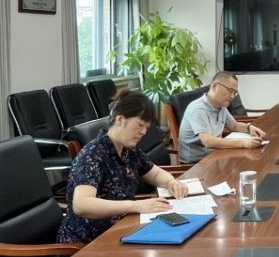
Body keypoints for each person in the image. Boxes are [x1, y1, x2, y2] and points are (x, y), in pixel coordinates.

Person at [57, 89, 190, 245]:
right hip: (88, 243)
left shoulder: (129, 150)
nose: (143, 132)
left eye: (147, 127)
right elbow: (82, 204)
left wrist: (171, 182)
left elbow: (154, 174)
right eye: (140, 125)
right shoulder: (92, 155)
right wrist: (134, 205)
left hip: (120, 230)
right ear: (120, 119)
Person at [178, 71, 267, 164]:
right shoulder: (198, 109)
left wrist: (249, 128)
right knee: (246, 163)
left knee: (252, 160)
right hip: (196, 163)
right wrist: (244, 143)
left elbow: (234, 125)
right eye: (230, 91)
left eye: (235, 93)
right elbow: (208, 141)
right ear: (214, 86)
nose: (232, 96)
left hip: (215, 155)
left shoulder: (221, 106)